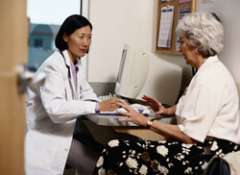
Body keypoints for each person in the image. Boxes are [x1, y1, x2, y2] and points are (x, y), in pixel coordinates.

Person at [95, 12, 240, 175]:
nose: (180, 48)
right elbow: (194, 106)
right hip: (202, 148)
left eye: (182, 42)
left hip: (210, 157)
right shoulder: (208, 71)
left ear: (196, 45)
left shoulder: (210, 79)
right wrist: (166, 110)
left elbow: (189, 137)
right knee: (118, 148)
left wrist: (147, 122)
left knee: (115, 149)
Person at [25, 14, 118, 175]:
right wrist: (96, 106)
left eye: (89, 37)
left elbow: (87, 92)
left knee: (105, 152)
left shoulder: (75, 64)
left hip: (63, 131)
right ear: (66, 37)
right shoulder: (53, 67)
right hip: (46, 136)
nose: (86, 42)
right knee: (99, 165)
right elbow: (56, 109)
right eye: (81, 36)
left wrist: (115, 107)